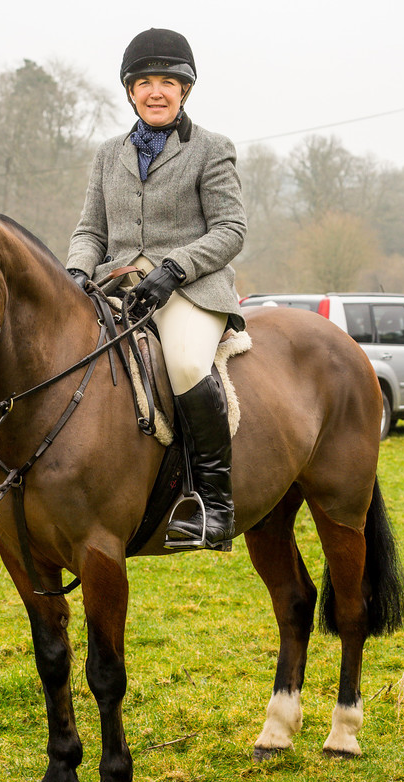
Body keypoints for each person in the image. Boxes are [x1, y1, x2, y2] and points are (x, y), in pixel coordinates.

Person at [66, 28, 247, 551]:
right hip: (118, 287)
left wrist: (175, 268)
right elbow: (90, 231)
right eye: (144, 82)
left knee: (187, 364)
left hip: (191, 290)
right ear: (130, 91)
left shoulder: (212, 149)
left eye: (168, 82)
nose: (156, 92)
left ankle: (215, 503)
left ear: (185, 90)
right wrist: (78, 271)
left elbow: (230, 229)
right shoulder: (108, 154)